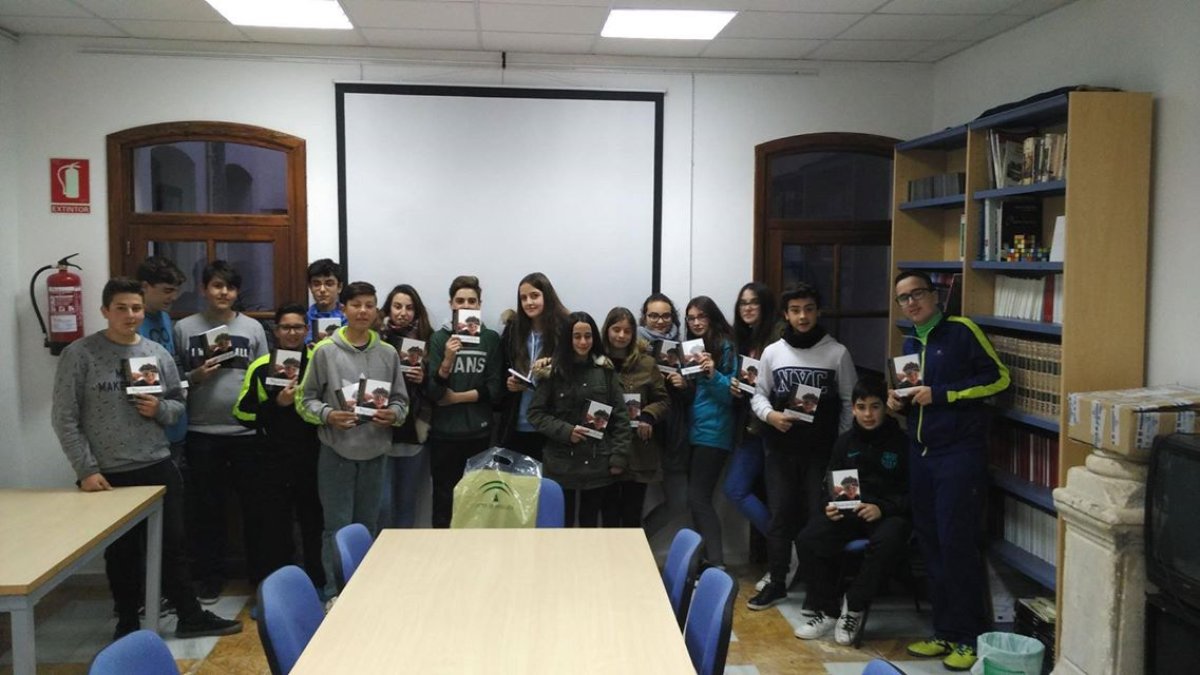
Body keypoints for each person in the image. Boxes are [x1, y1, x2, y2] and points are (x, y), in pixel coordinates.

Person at [51, 277, 242, 642]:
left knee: (174, 545)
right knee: (122, 554)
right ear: (105, 311)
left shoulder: (156, 353)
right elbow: (64, 417)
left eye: (136, 308)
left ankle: (189, 615)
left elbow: (177, 404)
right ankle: (126, 622)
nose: (130, 315)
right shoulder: (81, 354)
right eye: (121, 308)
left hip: (157, 463)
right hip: (107, 473)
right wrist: (86, 470)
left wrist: (159, 409)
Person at [889, 270, 1010, 672]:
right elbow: (914, 399)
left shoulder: (961, 332)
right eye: (903, 298)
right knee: (931, 544)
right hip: (919, 453)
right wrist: (898, 402)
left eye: (917, 294)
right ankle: (943, 630)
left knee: (957, 544)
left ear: (934, 296)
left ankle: (968, 637)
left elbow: (999, 379)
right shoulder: (908, 342)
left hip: (958, 454)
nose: (911, 303)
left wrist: (942, 394)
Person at [746, 282, 856, 611]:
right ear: (786, 314)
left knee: (817, 519)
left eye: (808, 309)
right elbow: (758, 394)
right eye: (795, 310)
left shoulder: (837, 352)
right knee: (780, 518)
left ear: (817, 311)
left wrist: (838, 445)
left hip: (820, 453)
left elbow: (850, 402)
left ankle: (818, 590)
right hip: (779, 450)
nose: (803, 316)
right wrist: (771, 416)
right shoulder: (773, 352)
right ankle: (777, 582)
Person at [298, 281, 409, 600]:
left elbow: (402, 400)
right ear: (343, 309)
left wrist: (394, 414)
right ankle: (336, 593)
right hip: (336, 452)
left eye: (369, 305)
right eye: (356, 304)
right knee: (336, 527)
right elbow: (304, 401)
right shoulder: (324, 351)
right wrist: (329, 415)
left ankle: (364, 591)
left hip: (375, 452)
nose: (363, 311)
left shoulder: (388, 353)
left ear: (377, 311)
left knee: (367, 526)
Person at [173, 260, 269, 603]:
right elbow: (173, 380)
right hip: (202, 433)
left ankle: (260, 578)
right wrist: (196, 376)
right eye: (216, 286)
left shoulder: (253, 329)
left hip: (246, 435)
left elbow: (264, 376)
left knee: (255, 510)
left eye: (229, 287)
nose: (223, 292)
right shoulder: (184, 328)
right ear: (204, 289)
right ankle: (208, 577)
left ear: (236, 291)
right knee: (205, 512)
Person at [792, 377, 910, 646]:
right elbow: (829, 483)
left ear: (885, 408)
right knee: (807, 538)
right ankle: (829, 611)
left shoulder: (902, 443)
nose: (868, 414)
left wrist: (883, 508)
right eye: (861, 407)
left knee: (892, 538)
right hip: (849, 512)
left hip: (887, 515)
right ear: (854, 409)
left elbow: (913, 494)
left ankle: (853, 606)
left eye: (875, 407)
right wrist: (829, 506)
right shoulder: (844, 442)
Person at [233, 303, 327, 595]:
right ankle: (274, 593)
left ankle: (318, 584)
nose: (292, 333)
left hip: (314, 455)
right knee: (274, 527)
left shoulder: (320, 361)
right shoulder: (261, 366)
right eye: (286, 327)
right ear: (276, 331)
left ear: (306, 330)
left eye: (298, 327)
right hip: (271, 458)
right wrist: (276, 405)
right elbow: (241, 412)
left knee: (314, 523)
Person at [527, 311, 631, 526]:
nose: (583, 342)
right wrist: (566, 431)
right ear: (567, 338)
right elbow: (535, 414)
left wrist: (618, 457)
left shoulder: (605, 371)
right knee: (560, 528)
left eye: (588, 336)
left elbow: (621, 417)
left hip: (597, 467)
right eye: (577, 336)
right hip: (560, 467)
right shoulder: (552, 371)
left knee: (589, 529)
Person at [426, 275, 504, 528]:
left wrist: (456, 397)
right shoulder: (439, 338)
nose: (466, 305)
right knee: (443, 502)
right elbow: (434, 392)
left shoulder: (490, 339)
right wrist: (447, 359)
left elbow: (496, 389)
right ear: (451, 304)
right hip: (444, 434)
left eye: (472, 301)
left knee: (477, 502)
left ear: (479, 305)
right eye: (460, 300)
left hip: (478, 433)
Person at [724, 282, 781, 589]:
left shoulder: (780, 336)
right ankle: (784, 552)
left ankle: (782, 559)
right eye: (742, 302)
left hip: (777, 429)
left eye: (754, 302)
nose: (747, 308)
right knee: (735, 489)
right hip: (751, 428)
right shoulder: (743, 339)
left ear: (766, 306)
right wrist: (735, 388)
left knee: (779, 498)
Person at [599, 307, 670, 528]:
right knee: (608, 516)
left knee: (632, 516)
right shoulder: (595, 363)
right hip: (604, 450)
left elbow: (663, 400)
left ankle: (630, 562)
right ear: (606, 330)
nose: (621, 335)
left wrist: (649, 416)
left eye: (627, 331)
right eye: (616, 329)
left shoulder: (647, 364)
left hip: (638, 451)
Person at [681, 296, 737, 569]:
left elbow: (732, 395)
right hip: (694, 432)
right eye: (691, 318)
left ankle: (716, 562)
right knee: (696, 499)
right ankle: (703, 559)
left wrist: (713, 373)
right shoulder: (691, 349)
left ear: (712, 317)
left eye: (701, 316)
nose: (696, 322)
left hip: (714, 434)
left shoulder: (725, 347)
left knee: (699, 498)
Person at [497, 272, 570, 462]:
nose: (529, 302)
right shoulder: (513, 330)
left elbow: (575, 375)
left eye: (534, 296)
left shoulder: (565, 330)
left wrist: (551, 367)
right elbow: (501, 369)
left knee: (548, 489)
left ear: (547, 295)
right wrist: (510, 383)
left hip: (551, 425)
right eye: (523, 298)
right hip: (516, 425)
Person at [378, 284, 434, 529]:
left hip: (413, 430)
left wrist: (424, 379)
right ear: (388, 308)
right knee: (382, 506)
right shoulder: (375, 338)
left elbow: (437, 389)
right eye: (397, 306)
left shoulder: (427, 340)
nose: (403, 312)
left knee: (407, 504)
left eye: (409, 308)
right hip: (380, 432)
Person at [637, 293, 692, 542]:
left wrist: (684, 385)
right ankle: (625, 554)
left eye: (666, 316)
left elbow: (696, 398)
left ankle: (638, 540)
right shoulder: (632, 345)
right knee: (628, 504)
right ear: (644, 317)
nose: (660, 321)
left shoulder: (685, 349)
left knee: (680, 501)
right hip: (639, 435)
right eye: (654, 315)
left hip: (673, 437)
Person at [136, 255, 188, 465]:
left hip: (175, 417)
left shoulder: (165, 317)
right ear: (145, 287)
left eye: (176, 290)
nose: (174, 297)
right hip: (149, 425)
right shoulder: (133, 323)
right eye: (167, 290)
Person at [305, 258, 345, 344]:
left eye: (329, 284)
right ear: (310, 287)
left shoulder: (349, 317)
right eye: (316, 284)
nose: (322, 289)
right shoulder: (303, 319)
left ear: (339, 287)